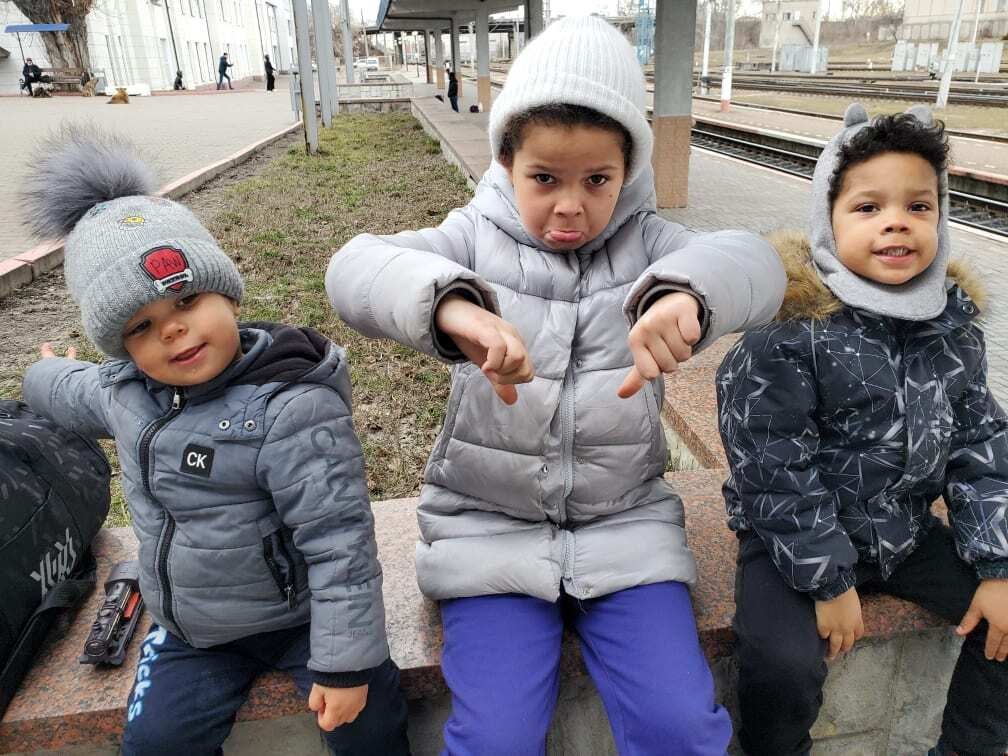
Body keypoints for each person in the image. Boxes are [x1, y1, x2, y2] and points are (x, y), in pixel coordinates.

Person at [326, 15, 786, 754]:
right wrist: (451, 307)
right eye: (544, 178)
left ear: (628, 172)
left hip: (627, 530)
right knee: (497, 738)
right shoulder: (471, 237)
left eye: (597, 180)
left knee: (681, 727)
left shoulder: (651, 245)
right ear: (507, 161)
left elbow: (758, 265)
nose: (569, 206)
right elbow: (353, 269)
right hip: (485, 534)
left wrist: (687, 295)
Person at [19, 127, 410, 756]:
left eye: (187, 299)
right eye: (141, 327)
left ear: (226, 292)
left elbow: (341, 545)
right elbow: (74, 390)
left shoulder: (291, 407)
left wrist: (346, 665)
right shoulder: (129, 394)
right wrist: (40, 374)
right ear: (122, 349)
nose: (173, 331)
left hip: (303, 622)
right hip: (192, 631)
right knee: (155, 745)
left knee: (368, 727)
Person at [716, 104, 1008, 756]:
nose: (896, 221)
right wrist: (828, 581)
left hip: (902, 532)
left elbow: (981, 444)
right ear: (829, 220)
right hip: (793, 544)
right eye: (869, 207)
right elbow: (772, 463)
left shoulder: (950, 329)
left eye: (919, 206)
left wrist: (998, 562)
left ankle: (970, 746)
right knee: (783, 666)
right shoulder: (790, 329)